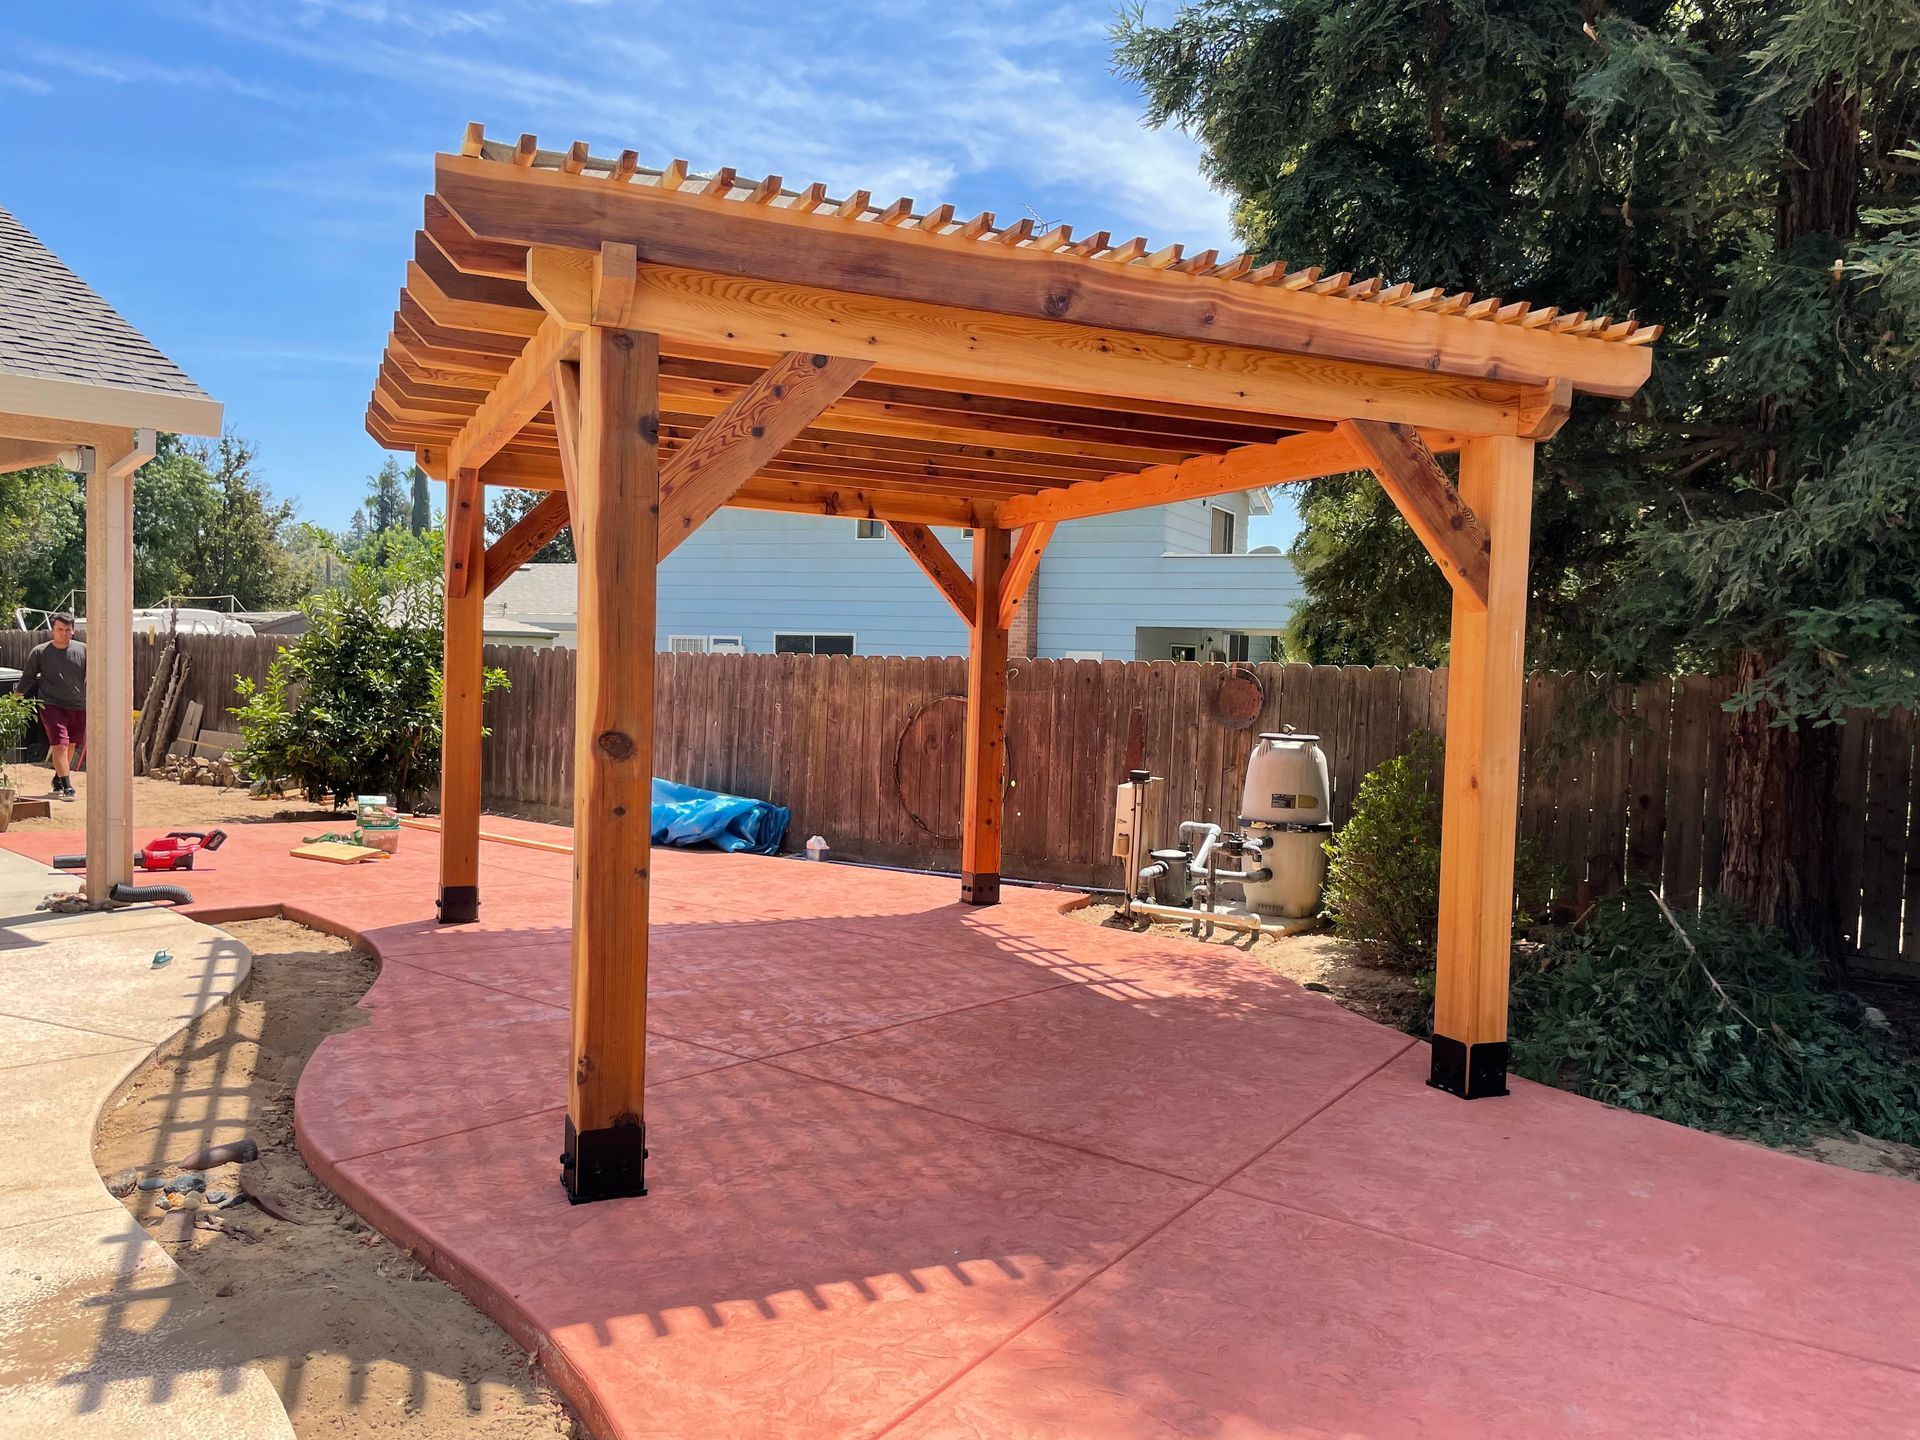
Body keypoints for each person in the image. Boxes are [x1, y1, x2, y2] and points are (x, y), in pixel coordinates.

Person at [20, 613, 85, 801]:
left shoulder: (84, 650)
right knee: (60, 744)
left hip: (79, 705)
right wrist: (15, 700)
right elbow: (28, 678)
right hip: (51, 704)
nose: (64, 634)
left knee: (71, 744)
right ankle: (68, 787)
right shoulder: (40, 652)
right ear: (52, 630)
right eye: (59, 630)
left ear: (73, 630)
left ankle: (58, 778)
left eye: (67, 630)